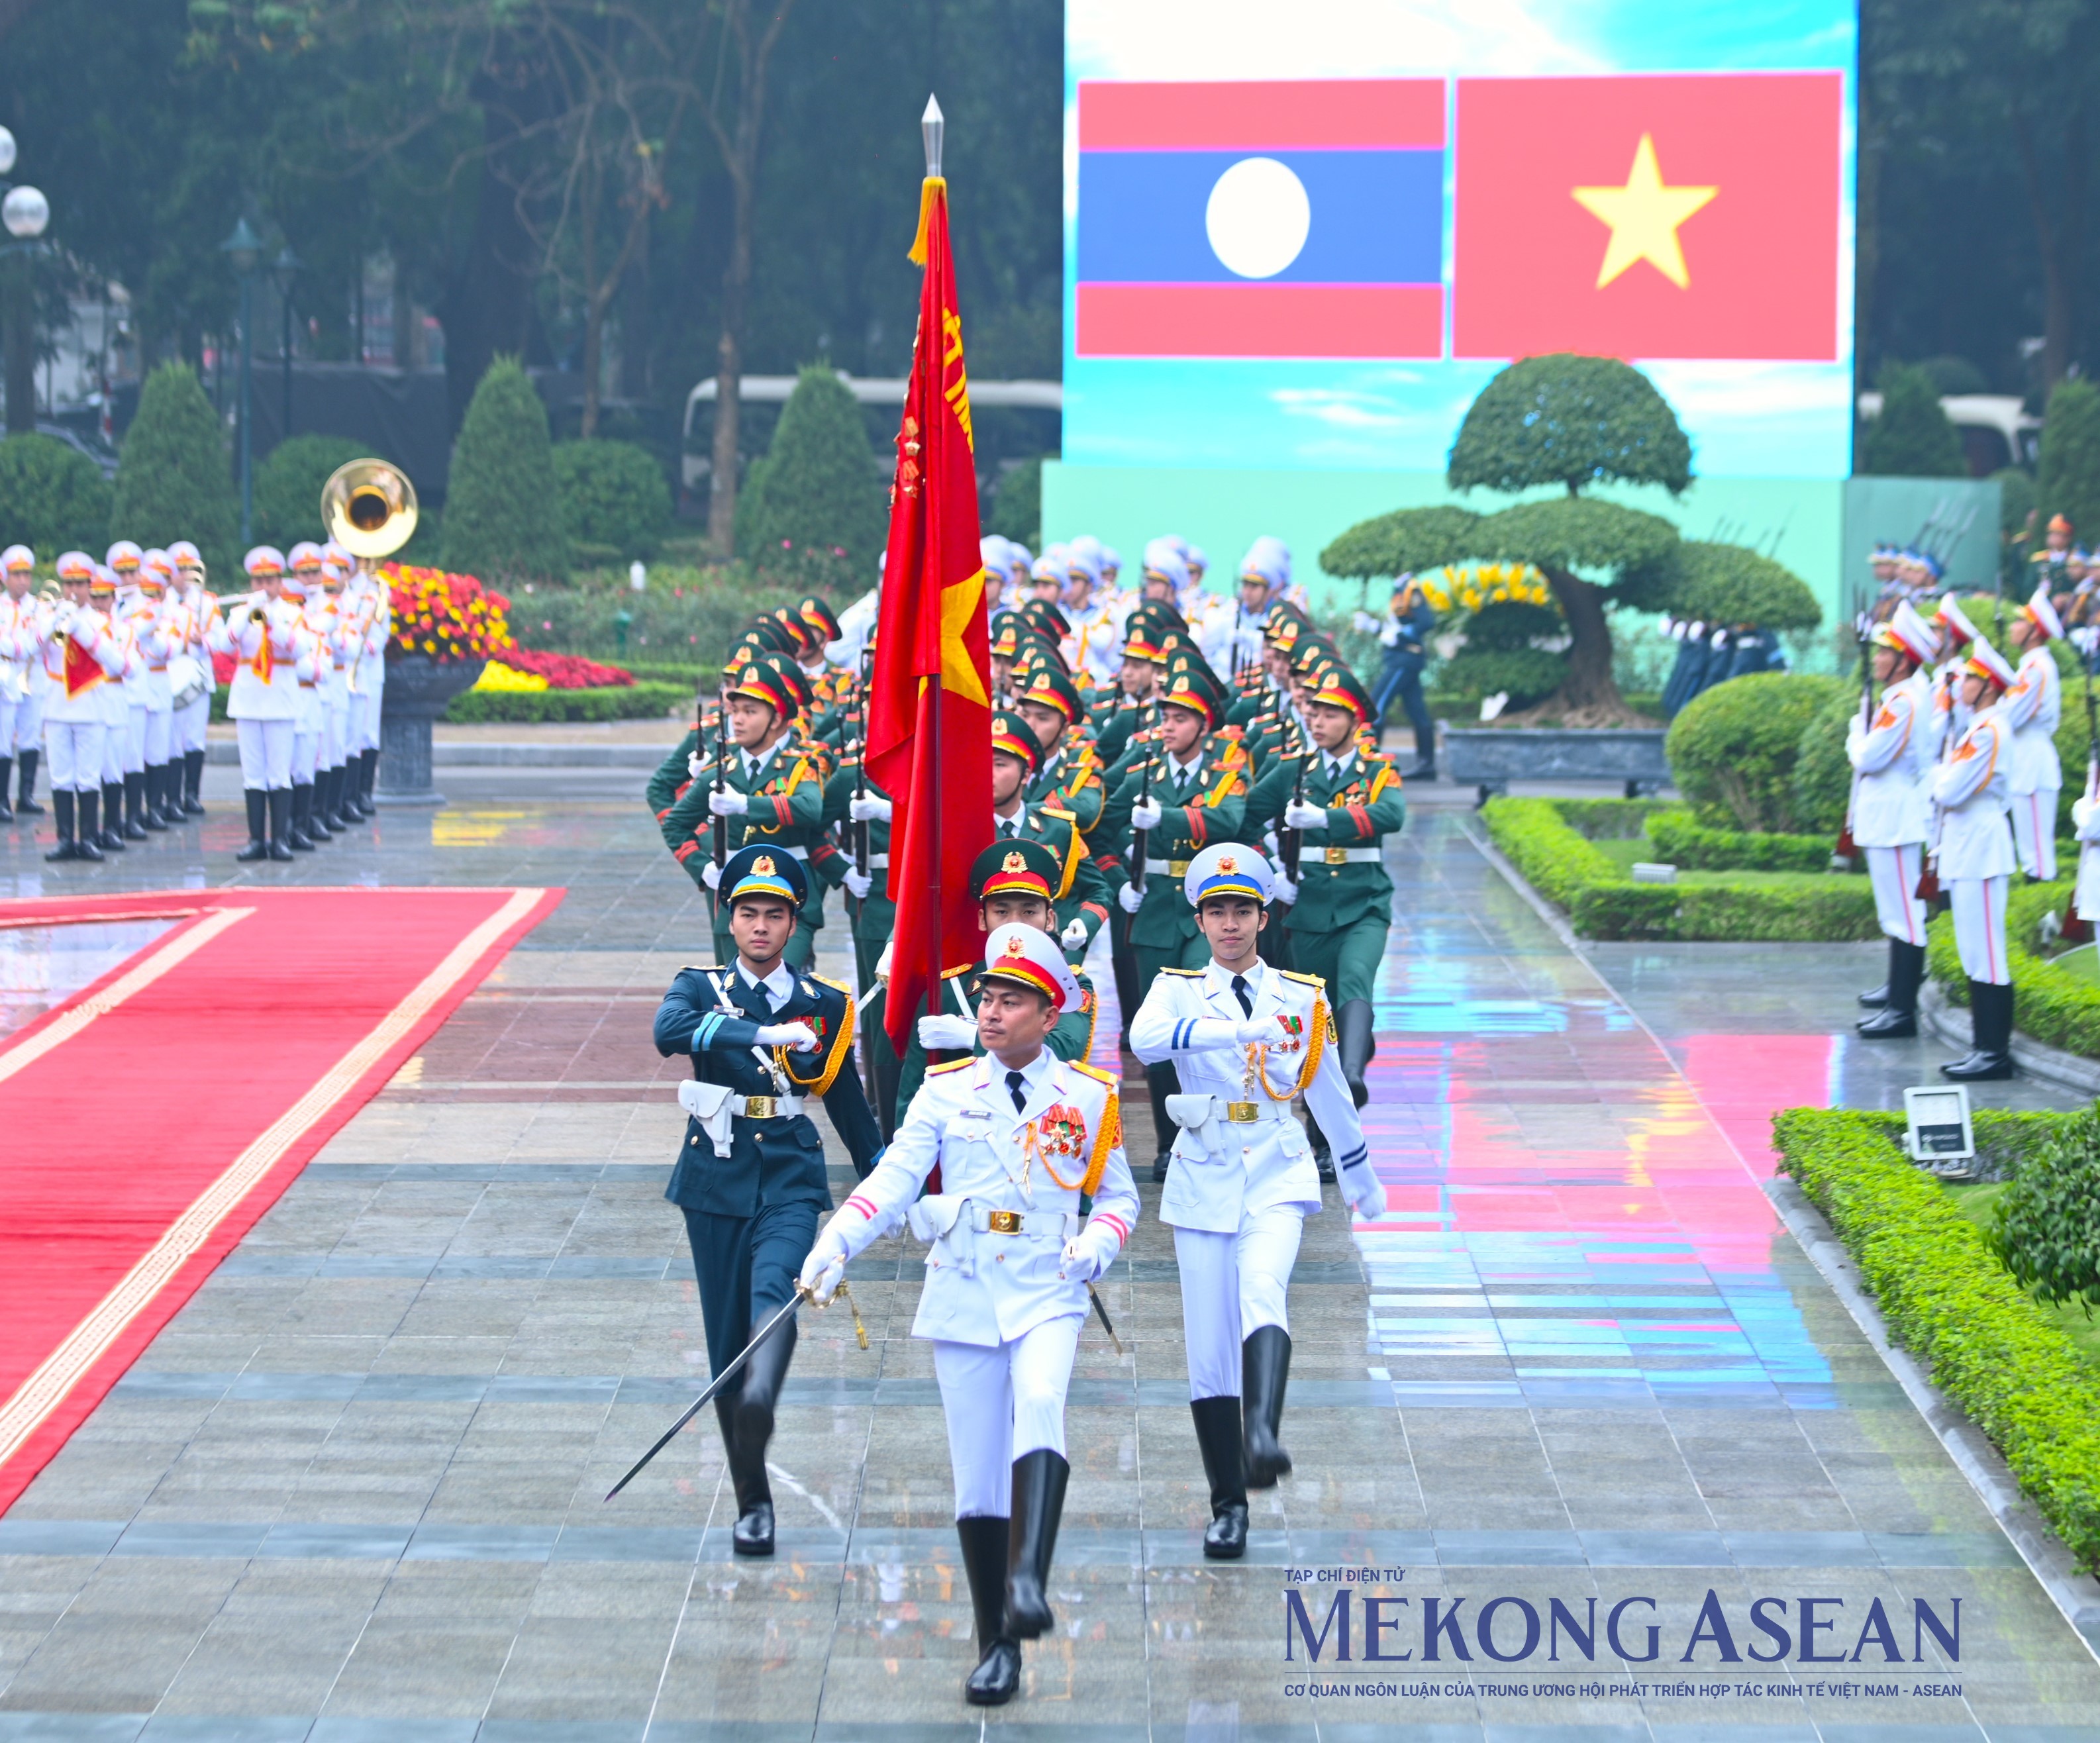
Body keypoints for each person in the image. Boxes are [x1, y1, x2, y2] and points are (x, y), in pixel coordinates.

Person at [796, 923, 1138, 1708]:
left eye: (1011, 999)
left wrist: (1098, 1245)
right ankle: (997, 1643)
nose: (991, 1010)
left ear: (1049, 1014)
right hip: (965, 1282)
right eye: (987, 995)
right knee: (977, 1475)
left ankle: (1029, 1578)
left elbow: (1118, 1198)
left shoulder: (1089, 1095)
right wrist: (838, 1240)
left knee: (1044, 1402)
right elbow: (895, 1178)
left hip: (1050, 1283)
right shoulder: (946, 1089)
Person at [1128, 844, 1383, 1558]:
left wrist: (1359, 1173)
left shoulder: (1301, 995)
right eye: (1217, 912)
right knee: (1209, 1352)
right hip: (1204, 1169)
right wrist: (1230, 1031)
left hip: (1275, 1163)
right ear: (1201, 919)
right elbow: (1142, 1041)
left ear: (1263, 916)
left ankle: (1264, 1430)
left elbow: (1328, 1089)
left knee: (1264, 1289)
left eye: (1242, 910)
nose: (1230, 924)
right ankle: (1227, 1503)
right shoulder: (1177, 987)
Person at [650, 844, 883, 1557]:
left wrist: (888, 1186)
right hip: (715, 1177)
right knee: (726, 1344)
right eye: (748, 913)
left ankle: (763, 1395)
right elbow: (667, 1034)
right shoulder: (699, 987)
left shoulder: (829, 1004)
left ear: (794, 924)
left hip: (788, 1170)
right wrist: (759, 1032)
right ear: (732, 921)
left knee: (777, 1289)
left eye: (773, 915)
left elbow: (850, 1109)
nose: (759, 926)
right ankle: (754, 1500)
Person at [1109, 667, 1250, 1166]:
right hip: (1151, 912)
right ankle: (1171, 1142)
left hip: (1201, 911)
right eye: (1165, 717)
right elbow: (1101, 825)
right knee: (1161, 1028)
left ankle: (1211, 1125)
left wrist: (1164, 819)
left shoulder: (1225, 776)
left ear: (1203, 724)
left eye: (1179, 718)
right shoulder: (1143, 771)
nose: (1168, 726)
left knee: (1198, 1010)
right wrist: (1118, 878)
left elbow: (1227, 820)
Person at [1278, 664, 1402, 1118]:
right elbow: (1245, 815)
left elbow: (1391, 816)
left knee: (1355, 978)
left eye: (1330, 715)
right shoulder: (1294, 770)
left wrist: (1327, 820)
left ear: (1353, 721)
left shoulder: (1377, 771)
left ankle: (1352, 1077)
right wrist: (1270, 865)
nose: (1318, 722)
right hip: (1308, 908)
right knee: (1320, 1014)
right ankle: (1323, 1128)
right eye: (1314, 713)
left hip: (1364, 903)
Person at [662, 653, 830, 968]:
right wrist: (702, 867)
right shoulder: (720, 773)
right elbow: (675, 825)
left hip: (789, 903)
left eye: (750, 712)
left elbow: (810, 808)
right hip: (735, 909)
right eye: (735, 711)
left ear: (777, 719)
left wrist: (746, 805)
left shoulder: (798, 767)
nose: (737, 720)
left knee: (780, 994)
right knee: (738, 1002)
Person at [1848, 602, 1942, 1040]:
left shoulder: (1904, 701)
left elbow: (1867, 756)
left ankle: (1902, 1010)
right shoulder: (1901, 695)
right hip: (1888, 815)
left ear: (1904, 660)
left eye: (1885, 652)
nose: (1877, 659)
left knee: (1904, 914)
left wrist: (1854, 730)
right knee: (1895, 913)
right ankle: (1895, 997)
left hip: (1895, 817)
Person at [1930, 638, 2018, 1081]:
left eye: (1968, 677)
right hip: (1967, 846)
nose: (1960, 683)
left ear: (1986, 686)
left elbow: (1947, 790)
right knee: (1972, 950)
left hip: (1981, 849)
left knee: (1986, 951)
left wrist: (1937, 775)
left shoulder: (1988, 731)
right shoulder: (1977, 727)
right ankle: (1982, 1047)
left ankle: (1993, 1053)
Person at [209, 546, 308, 862]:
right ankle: (256, 840)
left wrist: (270, 622)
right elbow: (224, 646)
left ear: (281, 582)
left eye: (270, 580)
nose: (264, 586)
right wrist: (247, 618)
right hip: (249, 699)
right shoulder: (241, 613)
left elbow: (298, 649)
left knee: (278, 774)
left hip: (279, 699)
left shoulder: (291, 614)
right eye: (258, 580)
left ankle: (279, 840)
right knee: (253, 774)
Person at [32, 552, 125, 861]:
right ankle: (64, 840)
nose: (74, 590)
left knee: (87, 776)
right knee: (61, 777)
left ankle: (88, 839)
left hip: (90, 706)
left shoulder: (101, 622)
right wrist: (54, 622)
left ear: (90, 586)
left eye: (80, 584)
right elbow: (29, 647)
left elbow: (117, 662)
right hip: (58, 704)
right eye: (69, 583)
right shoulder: (50, 616)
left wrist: (82, 631)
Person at [2002, 583, 2064, 881]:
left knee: (2037, 851)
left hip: (2033, 760)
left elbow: (2012, 716)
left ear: (2035, 631)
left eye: (2019, 622)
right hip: (2025, 757)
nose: (2013, 627)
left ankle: (2046, 917)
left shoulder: (2037, 668)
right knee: (2029, 848)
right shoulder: (2030, 666)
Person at [1363, 573, 1438, 777]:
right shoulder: (1398, 588)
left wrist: (1400, 636)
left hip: (1404, 659)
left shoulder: (1410, 589)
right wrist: (1376, 627)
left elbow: (1426, 622)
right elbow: (1395, 626)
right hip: (1400, 658)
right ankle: (1427, 766)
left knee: (1376, 707)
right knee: (1417, 711)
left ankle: (1370, 763)